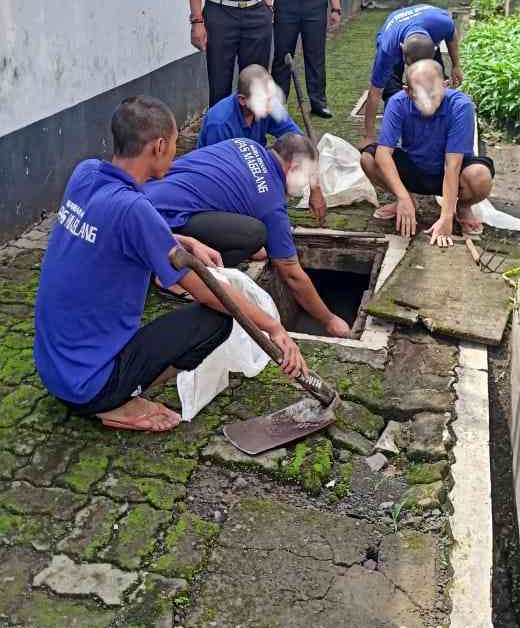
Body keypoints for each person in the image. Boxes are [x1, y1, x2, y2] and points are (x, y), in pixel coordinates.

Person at [34, 97, 306, 432]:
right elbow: (209, 292)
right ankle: (119, 401)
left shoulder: (85, 174)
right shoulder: (134, 210)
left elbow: (115, 230)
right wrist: (273, 327)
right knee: (216, 321)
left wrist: (183, 240)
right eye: (176, 143)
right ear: (159, 146)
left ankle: (113, 389)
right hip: (89, 388)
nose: (177, 151)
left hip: (53, 367)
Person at [144, 133, 351, 337]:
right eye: (306, 176)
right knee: (255, 235)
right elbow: (291, 274)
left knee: (254, 242)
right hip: (162, 221)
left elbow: (229, 195)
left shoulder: (245, 144)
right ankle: (173, 276)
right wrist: (329, 320)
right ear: (293, 168)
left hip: (145, 194)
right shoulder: (270, 201)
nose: (305, 184)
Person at [360, 60, 494, 244]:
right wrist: (402, 196)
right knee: (368, 158)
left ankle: (461, 207)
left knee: (480, 176)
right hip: (414, 167)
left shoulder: (461, 106)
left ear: (445, 86)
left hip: (451, 173)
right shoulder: (397, 102)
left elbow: (452, 165)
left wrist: (446, 217)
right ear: (408, 91)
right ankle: (406, 201)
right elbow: (384, 153)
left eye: (433, 94)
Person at [197, 63, 327, 223]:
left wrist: (315, 189)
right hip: (220, 180)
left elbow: (302, 146)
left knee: (284, 166)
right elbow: (219, 178)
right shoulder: (219, 124)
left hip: (250, 164)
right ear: (243, 100)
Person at [361, 4, 463, 147]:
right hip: (396, 34)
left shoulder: (442, 24)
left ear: (435, 48)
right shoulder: (387, 49)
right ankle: (398, 128)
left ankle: (435, 121)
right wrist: (369, 135)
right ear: (402, 50)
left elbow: (451, 36)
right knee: (391, 91)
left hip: (427, 28)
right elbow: (374, 93)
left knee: (435, 82)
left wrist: (456, 66)